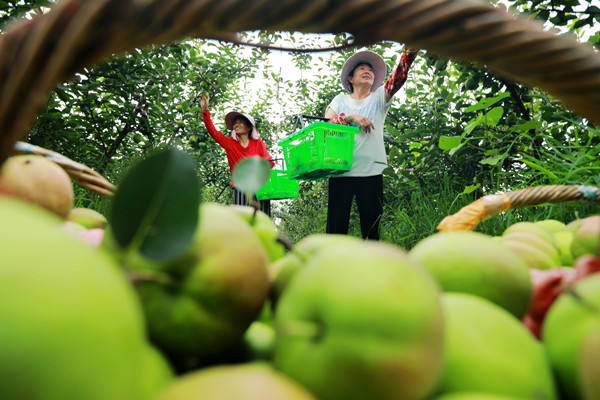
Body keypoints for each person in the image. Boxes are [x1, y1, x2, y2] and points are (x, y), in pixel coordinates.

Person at [324, 46, 418, 240]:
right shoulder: (339, 100)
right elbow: (325, 127)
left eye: (371, 70)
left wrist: (411, 50)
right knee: (335, 231)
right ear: (350, 78)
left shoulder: (380, 97)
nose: (368, 71)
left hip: (371, 172)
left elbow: (399, 75)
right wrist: (350, 117)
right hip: (340, 171)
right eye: (362, 68)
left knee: (371, 229)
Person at [200, 94, 275, 216]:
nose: (236, 125)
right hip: (240, 188)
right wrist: (205, 111)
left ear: (249, 126)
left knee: (263, 220)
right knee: (242, 222)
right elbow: (213, 132)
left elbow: (270, 163)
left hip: (260, 188)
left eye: (240, 122)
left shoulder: (259, 144)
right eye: (234, 123)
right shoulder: (230, 144)